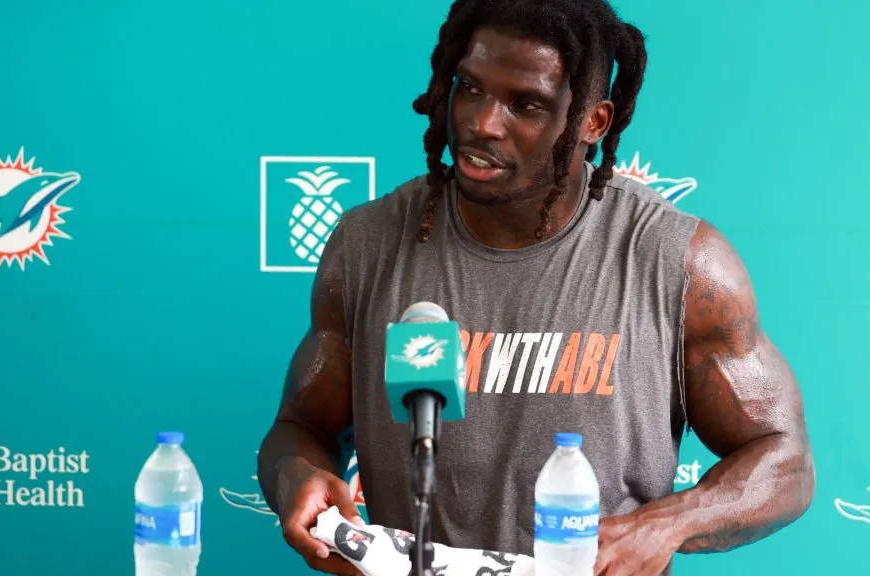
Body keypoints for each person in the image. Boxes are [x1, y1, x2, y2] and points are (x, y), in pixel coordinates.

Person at [257, 0, 815, 574]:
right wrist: (297, 476)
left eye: (525, 105)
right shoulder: (367, 245)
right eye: (470, 88)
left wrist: (669, 523)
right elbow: (299, 429)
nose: (482, 122)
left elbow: (784, 458)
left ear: (592, 123)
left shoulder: (680, 263)